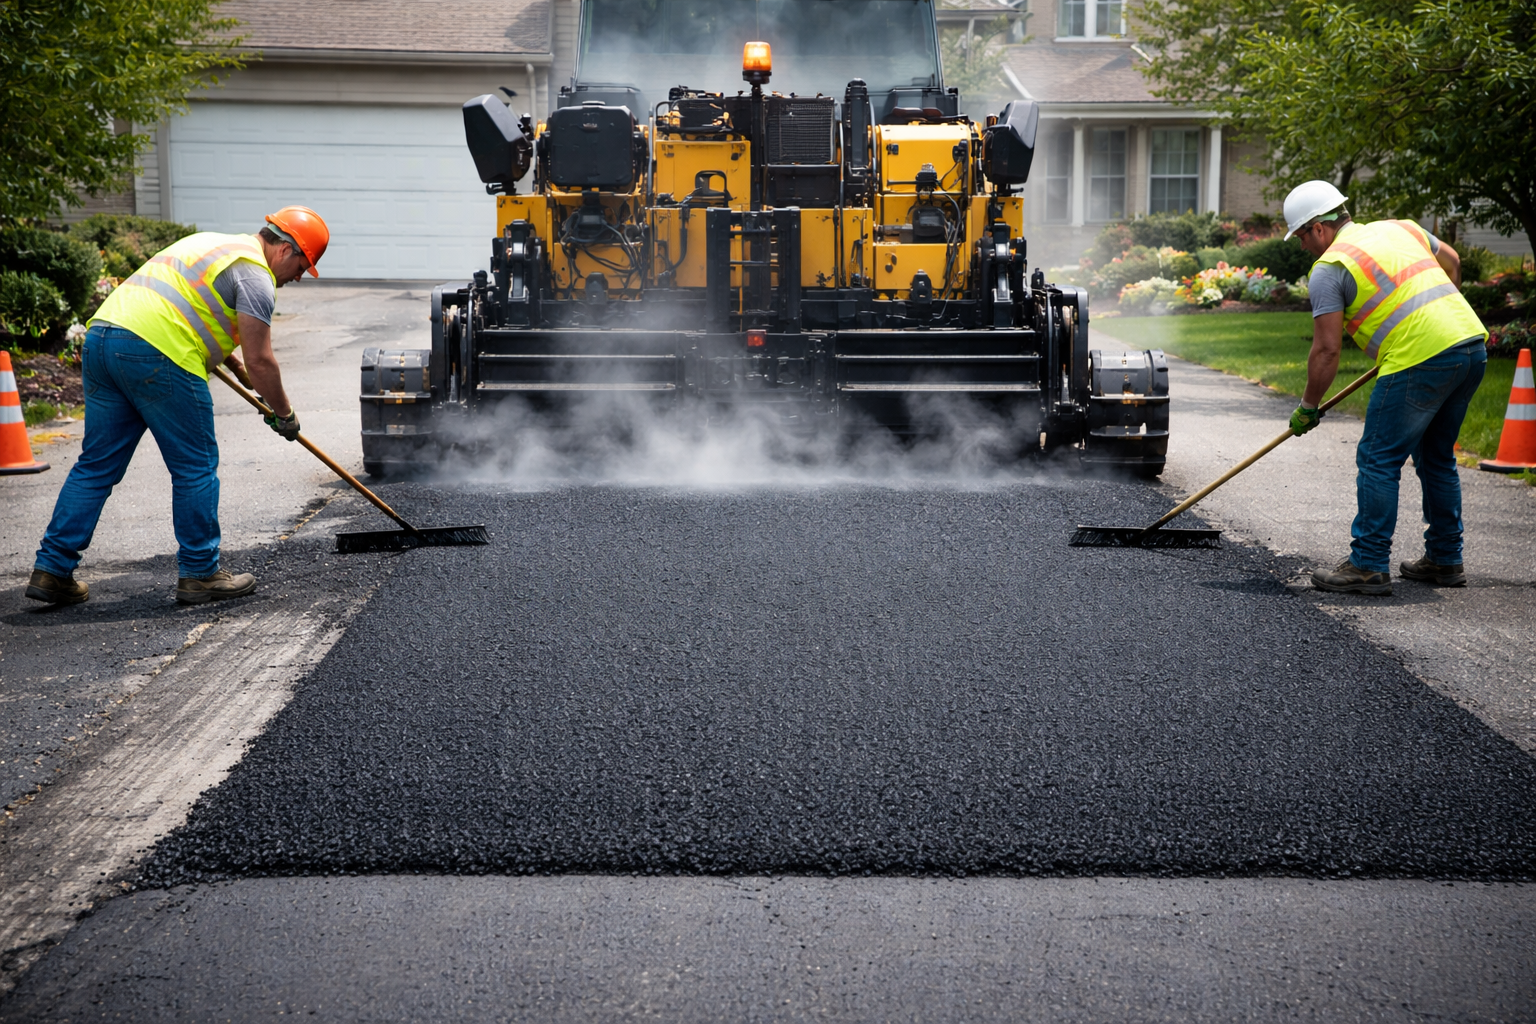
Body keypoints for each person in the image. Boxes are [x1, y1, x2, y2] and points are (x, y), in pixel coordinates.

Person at [24, 207, 330, 606]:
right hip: (158, 352)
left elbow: (188, 309)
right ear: (286, 249)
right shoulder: (256, 276)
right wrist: (285, 415)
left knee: (96, 466)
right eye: (304, 265)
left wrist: (234, 367)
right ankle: (201, 573)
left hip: (104, 339)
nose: (300, 276)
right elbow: (262, 359)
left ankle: (52, 570)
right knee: (195, 466)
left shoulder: (212, 244)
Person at [1283, 180, 1487, 596]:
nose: (1303, 246)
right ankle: (1445, 559)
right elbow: (1452, 260)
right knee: (1436, 457)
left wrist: (1308, 406)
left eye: (1301, 237)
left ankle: (1368, 564)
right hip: (1470, 345)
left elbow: (1326, 350)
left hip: (1420, 358)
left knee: (1378, 458)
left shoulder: (1330, 268)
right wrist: (1439, 321)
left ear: (1318, 229)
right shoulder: (1401, 228)